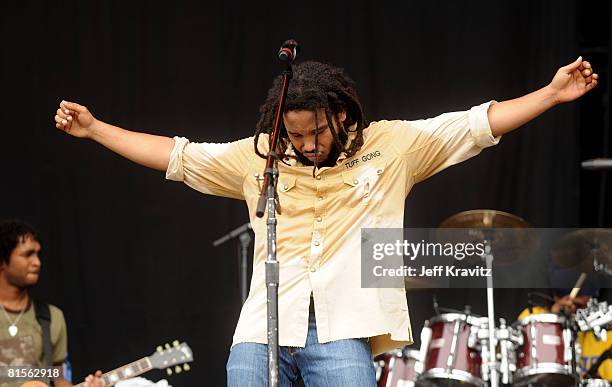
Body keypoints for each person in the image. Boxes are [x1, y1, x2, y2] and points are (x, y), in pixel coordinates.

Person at [54, 57, 598, 386]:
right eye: (297, 135)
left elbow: (476, 125)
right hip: (264, 326)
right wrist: (97, 128)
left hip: (342, 330)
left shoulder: (391, 146)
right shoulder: (262, 155)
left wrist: (551, 93)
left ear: (342, 115)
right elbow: (178, 155)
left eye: (317, 132)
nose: (308, 145)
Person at [0, 219, 103, 387]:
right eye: (27, 254)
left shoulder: (50, 317)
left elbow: (58, 377)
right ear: (2, 261)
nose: (37, 262)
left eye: (38, 254)